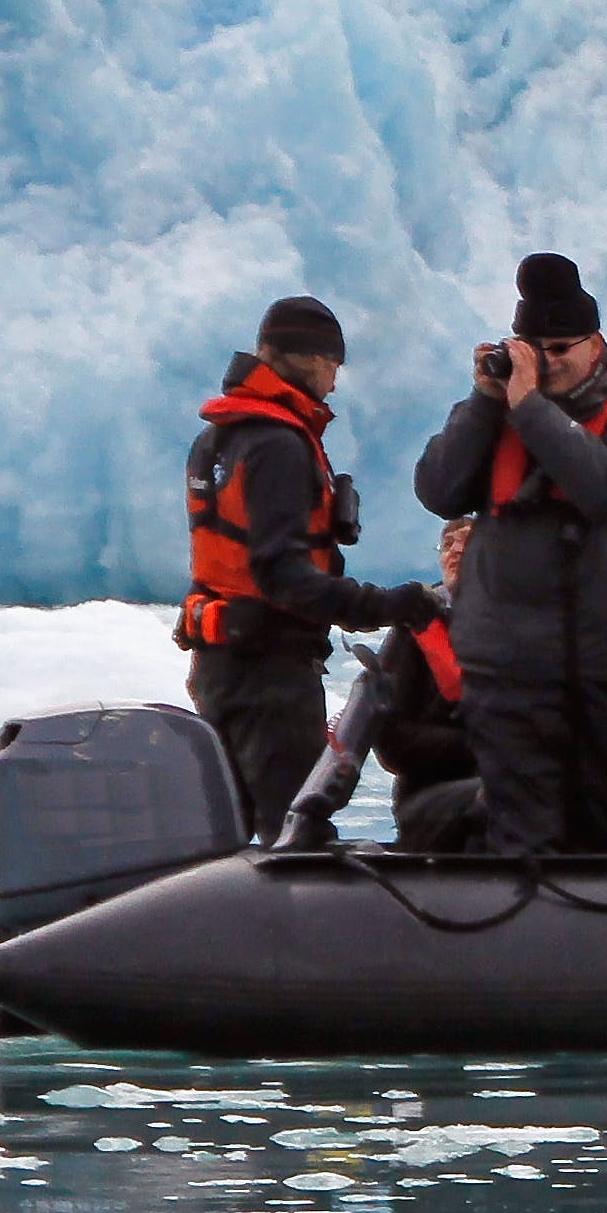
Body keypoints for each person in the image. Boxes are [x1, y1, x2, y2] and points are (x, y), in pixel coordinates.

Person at [411, 253, 607, 853]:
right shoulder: (490, 415)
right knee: (522, 838)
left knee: (606, 834)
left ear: (596, 344)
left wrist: (532, 409)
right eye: (538, 349)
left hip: (605, 668)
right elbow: (439, 489)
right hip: (508, 673)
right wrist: (486, 402)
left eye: (562, 349)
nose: (550, 363)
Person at [177, 294, 443, 838]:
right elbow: (284, 577)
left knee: (230, 833)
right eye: (332, 364)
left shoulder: (218, 438)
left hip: (220, 667)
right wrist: (387, 605)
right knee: (295, 832)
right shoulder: (279, 444)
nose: (334, 382)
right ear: (308, 358)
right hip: (270, 675)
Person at [378, 520, 487, 849]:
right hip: (429, 798)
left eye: (466, 542)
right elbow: (391, 741)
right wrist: (480, 746)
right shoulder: (416, 628)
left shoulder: (520, 631)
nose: (454, 551)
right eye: (448, 543)